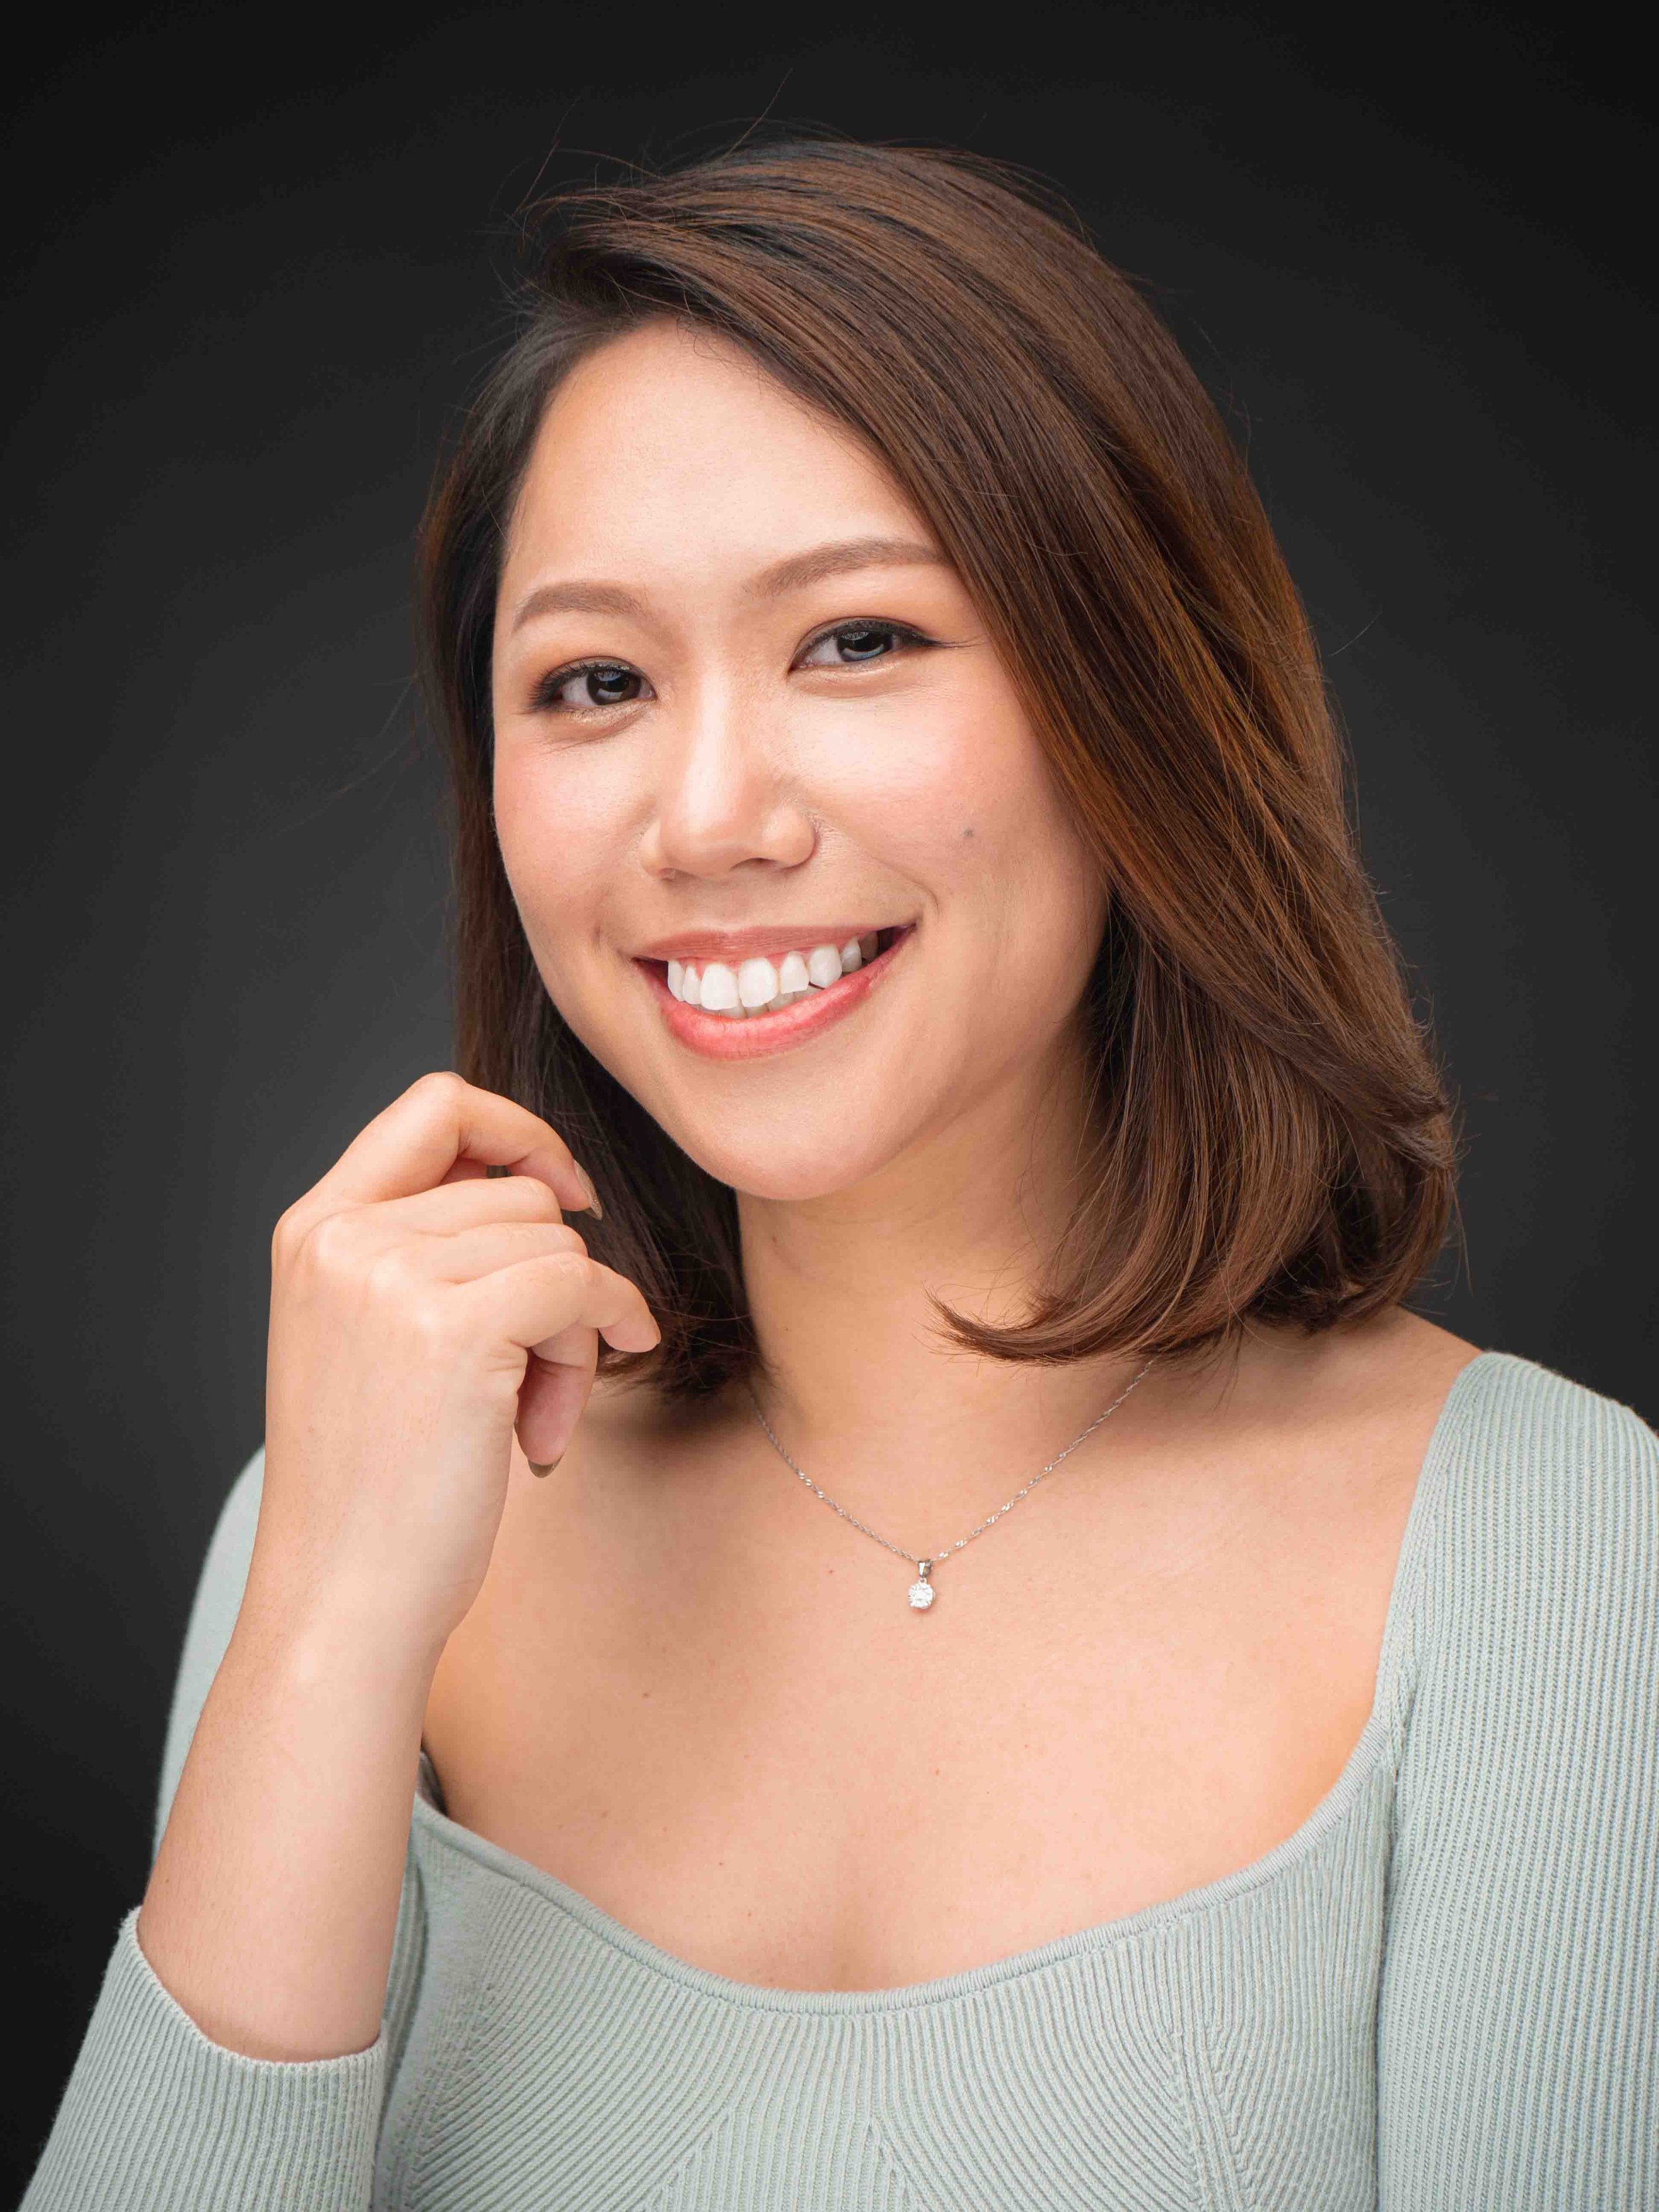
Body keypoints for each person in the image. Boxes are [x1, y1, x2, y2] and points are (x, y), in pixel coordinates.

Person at [22, 136, 1656, 2211]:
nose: (707, 817)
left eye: (858, 641)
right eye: (593, 682)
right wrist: (328, 1626)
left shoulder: (1551, 1549)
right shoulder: (353, 1517)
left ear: (1136, 700)